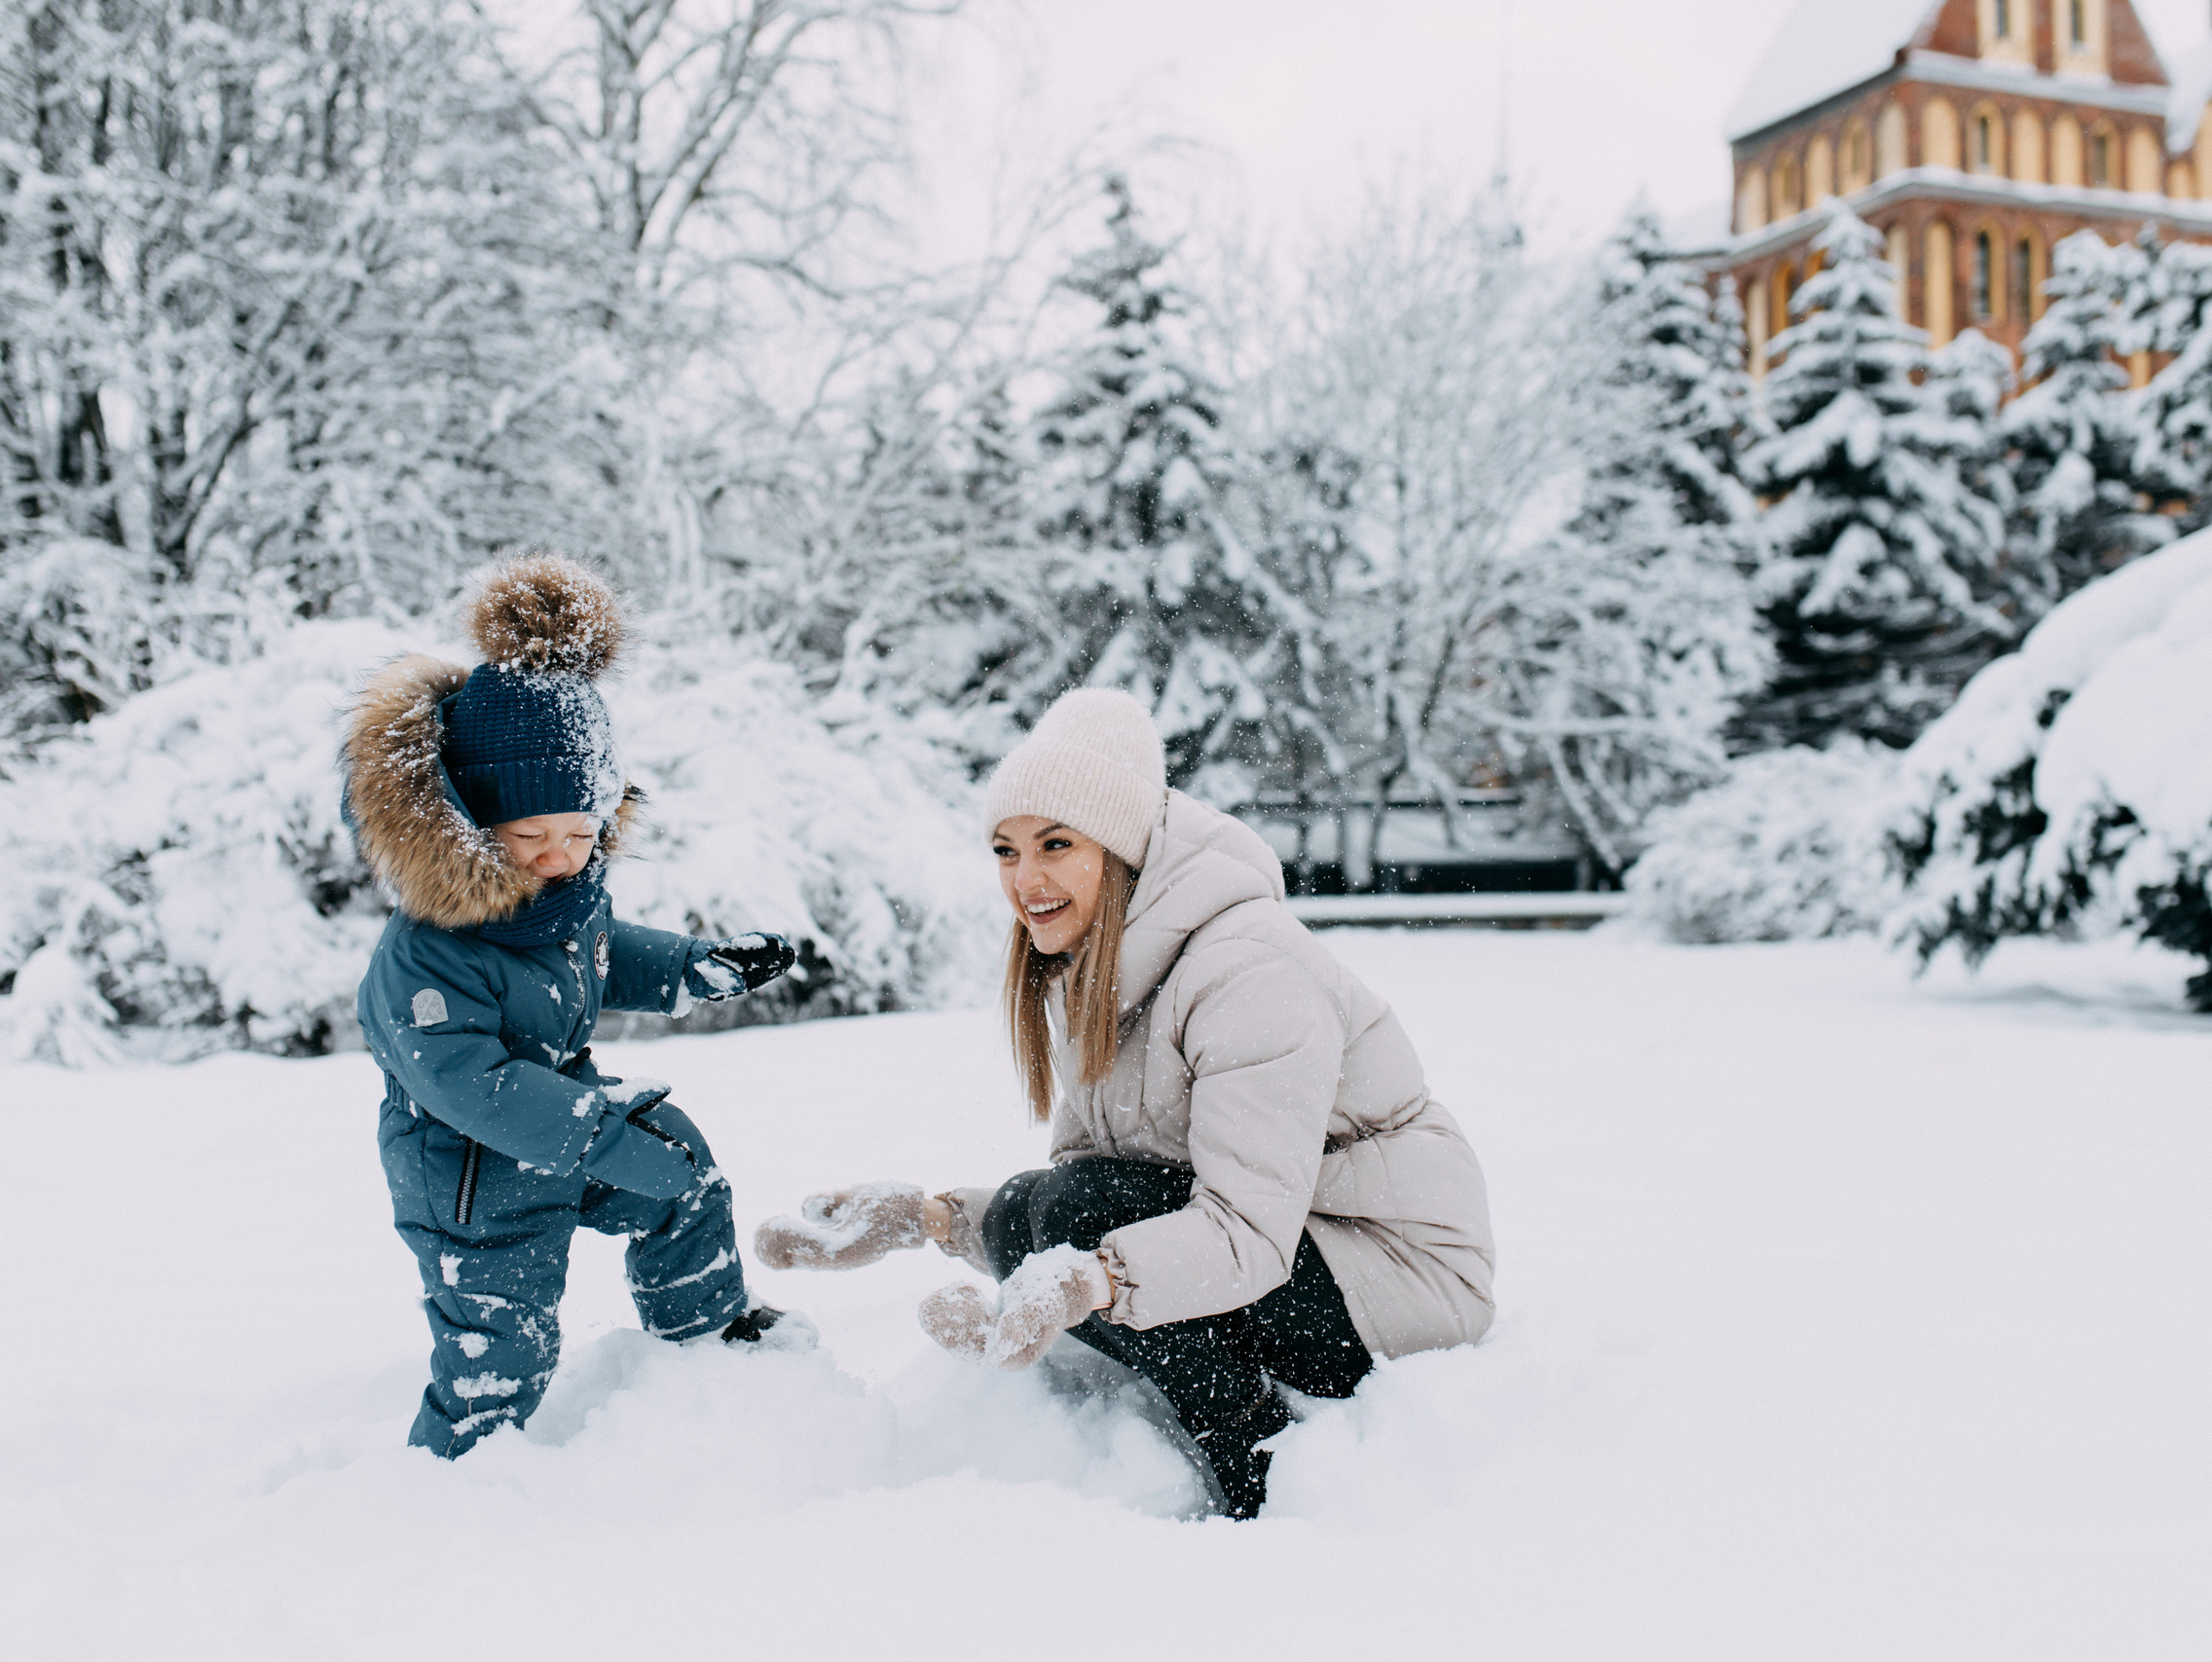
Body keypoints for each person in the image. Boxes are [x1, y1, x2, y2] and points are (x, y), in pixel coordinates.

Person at [755, 688, 1496, 1517]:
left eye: (1055, 844)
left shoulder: (1249, 971)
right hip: (1293, 1248)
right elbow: (1082, 1182)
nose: (1024, 880)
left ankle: (1256, 1455)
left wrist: (1093, 1281)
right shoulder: (1095, 969)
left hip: (1392, 1275)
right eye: (1005, 849)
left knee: (1076, 1216)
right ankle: (1228, 1410)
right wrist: (932, 1219)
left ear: (1121, 848)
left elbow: (1243, 1233)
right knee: (1042, 1205)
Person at [345, 553, 800, 1458]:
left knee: (682, 1176)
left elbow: (597, 952)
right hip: (468, 1178)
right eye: (531, 837)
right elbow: (474, 1085)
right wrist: (598, 1132)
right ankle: (447, 1481)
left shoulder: (563, 895)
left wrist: (693, 970)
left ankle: (705, 1345)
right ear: (471, 825)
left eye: (580, 832)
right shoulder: (426, 957)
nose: (561, 856)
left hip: (569, 1129)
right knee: (505, 1349)